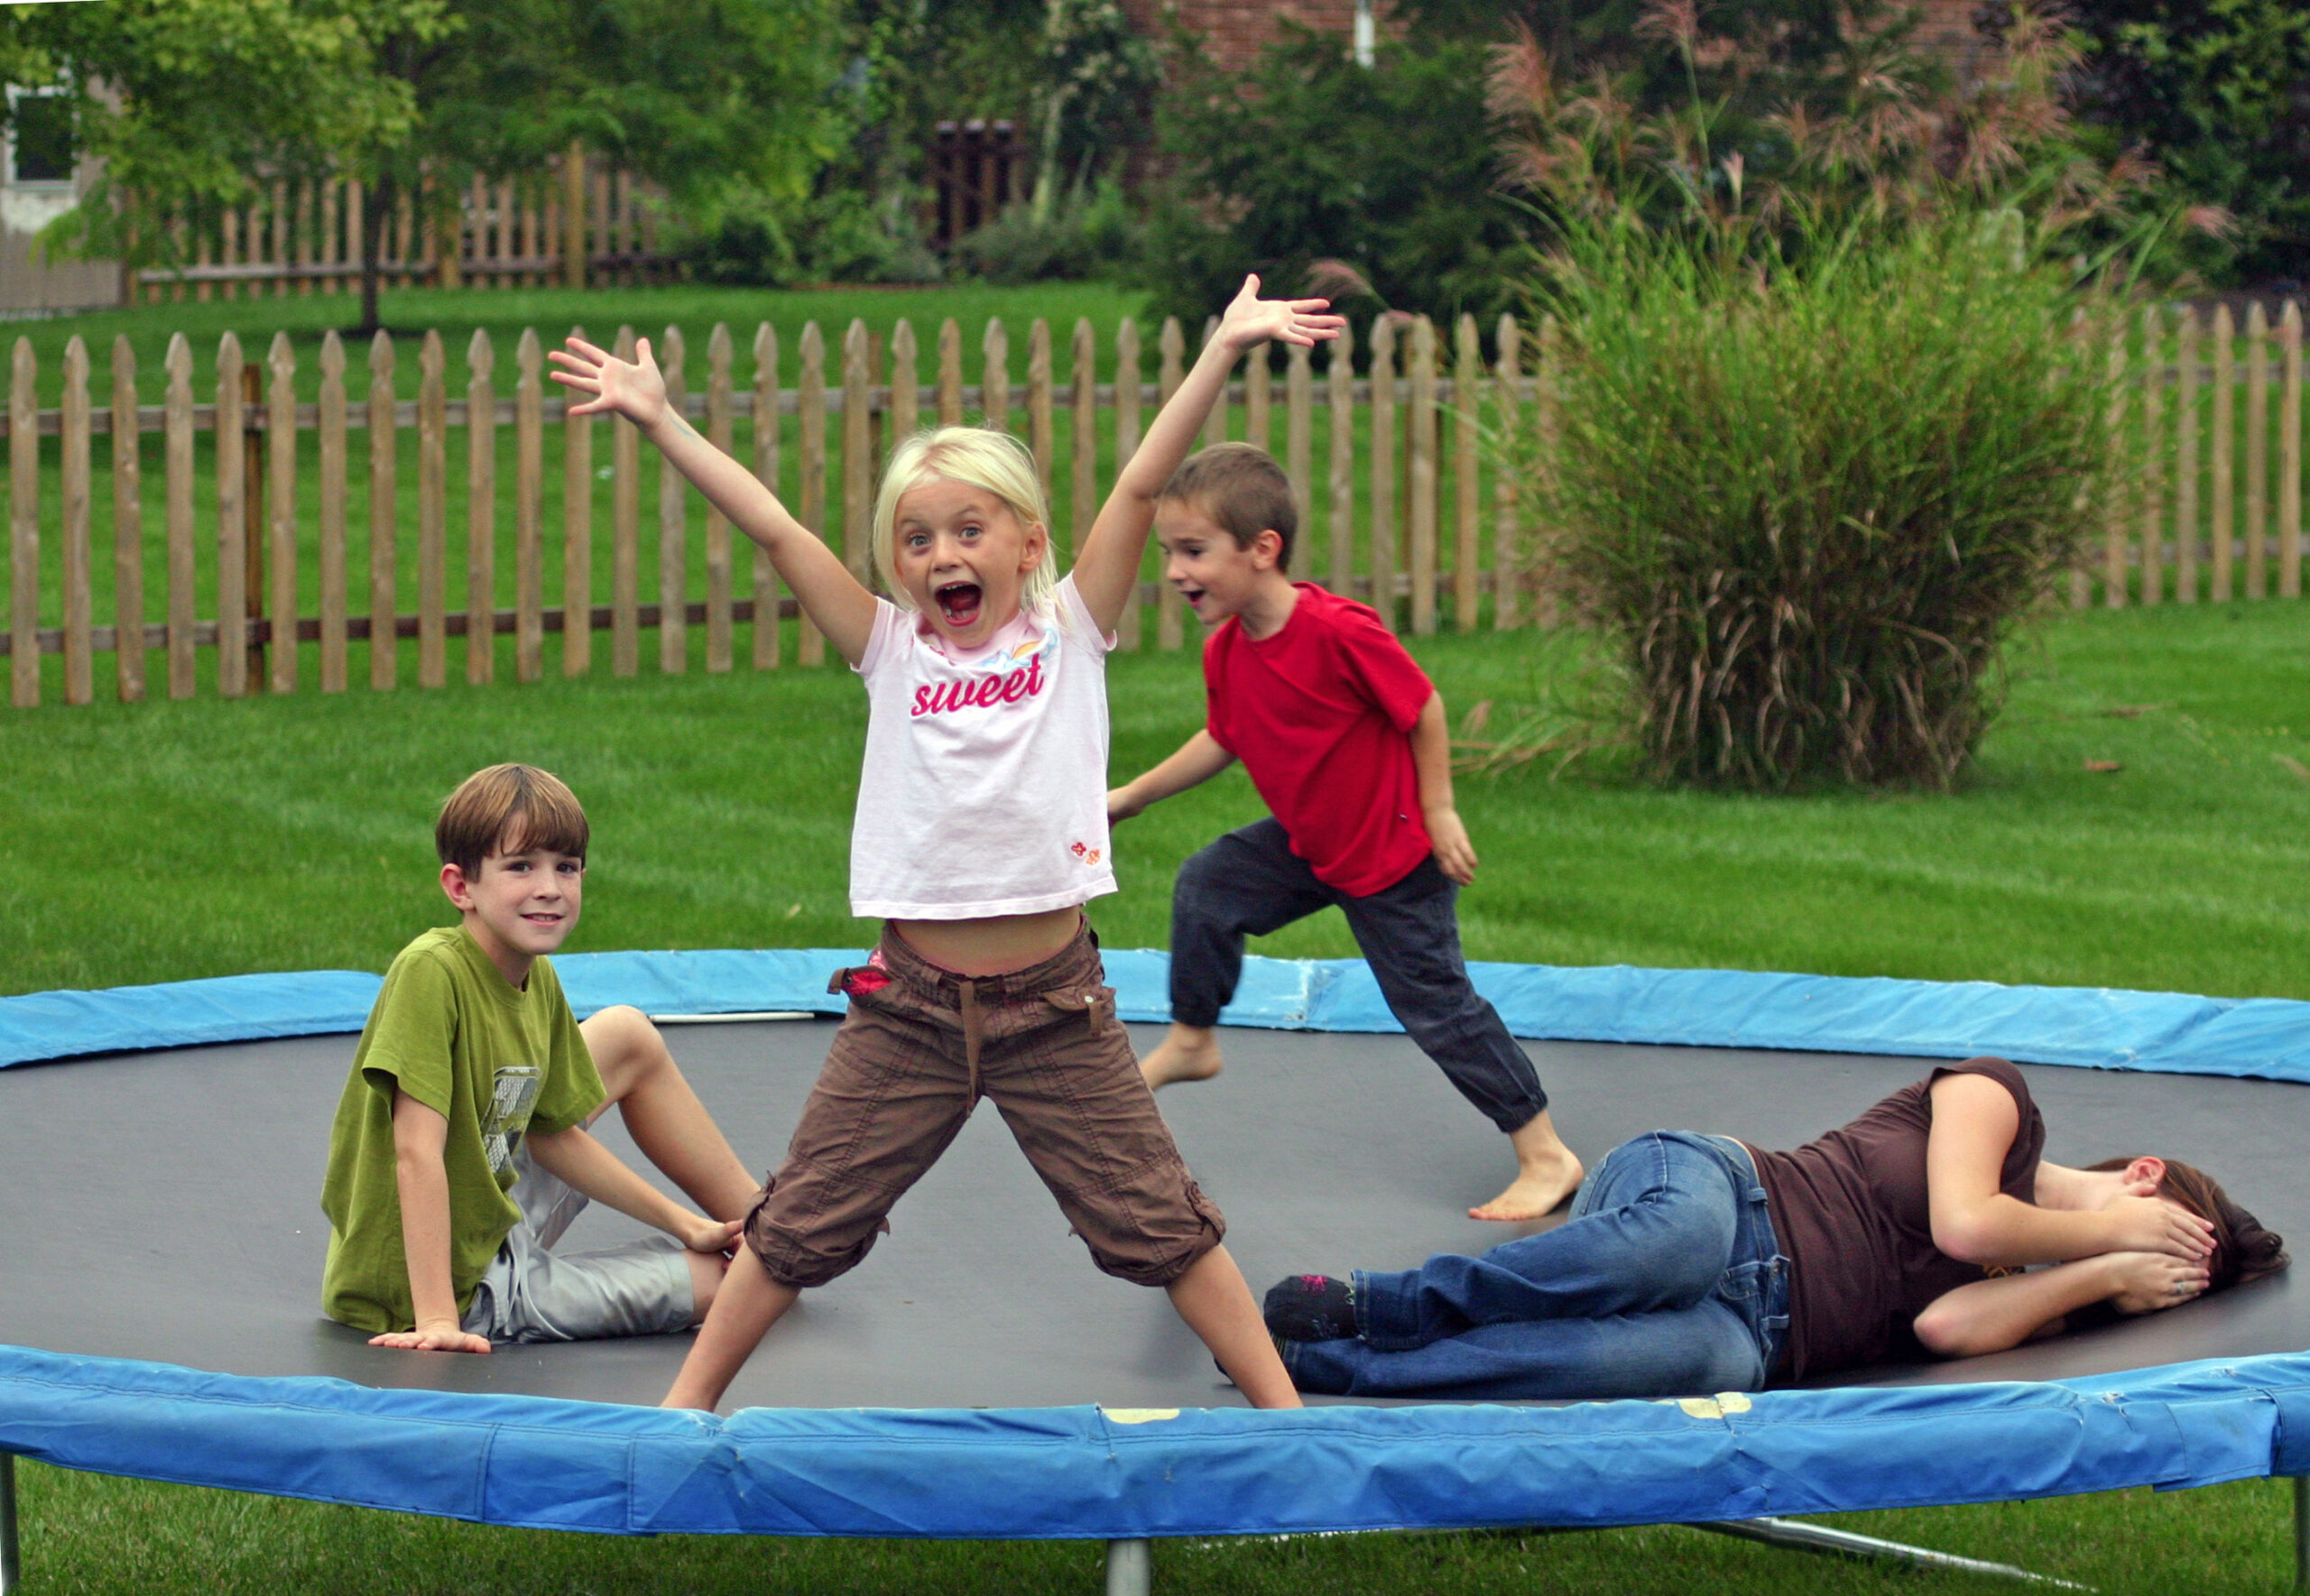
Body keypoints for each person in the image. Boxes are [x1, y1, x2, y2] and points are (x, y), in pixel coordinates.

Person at [550, 278, 1344, 1413]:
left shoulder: (1072, 629)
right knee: (796, 1224)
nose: (940, 557)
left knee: (1161, 1223)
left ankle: (1288, 1422)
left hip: (1054, 1006)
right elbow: (776, 532)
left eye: (968, 531)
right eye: (915, 539)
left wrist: (1220, 346)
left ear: (1028, 543)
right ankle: (681, 1416)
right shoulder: (889, 648)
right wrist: (663, 420)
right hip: (910, 1007)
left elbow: (1132, 485)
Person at [1105, 442, 1581, 1222]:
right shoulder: (1227, 648)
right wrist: (1133, 796)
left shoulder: (1337, 632)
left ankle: (1544, 1152)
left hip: (1393, 858)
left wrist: (1439, 811)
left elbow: (1420, 706)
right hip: (1310, 843)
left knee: (1437, 1008)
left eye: (1193, 551)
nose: (1177, 572)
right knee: (1207, 885)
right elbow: (1223, 735)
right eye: (1170, 553)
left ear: (1263, 550)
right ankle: (1194, 1037)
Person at [1261, 1056, 2287, 1399]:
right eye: (2161, 1234)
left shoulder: (2050, 1296)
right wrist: (2111, 1249)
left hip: (1759, 1338)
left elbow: (1946, 1329)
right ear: (2143, 1175)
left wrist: (2088, 1278)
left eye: (2156, 1269)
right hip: (1723, 1194)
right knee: (1675, 1248)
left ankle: (1336, 1366)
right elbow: (1965, 1221)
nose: (2137, 1260)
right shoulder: (1997, 1096)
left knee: (1677, 1362)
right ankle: (1394, 1300)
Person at [321, 763, 762, 1352]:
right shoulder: (431, 971)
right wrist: (435, 1322)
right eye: (521, 866)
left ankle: (769, 1223)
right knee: (733, 1284)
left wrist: (688, 1224)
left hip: (487, 1210)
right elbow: (415, 1152)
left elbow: (554, 1136)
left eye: (567, 867)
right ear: (460, 886)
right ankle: (768, 1253)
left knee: (626, 1032)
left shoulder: (540, 978)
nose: (550, 886)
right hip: (449, 1288)